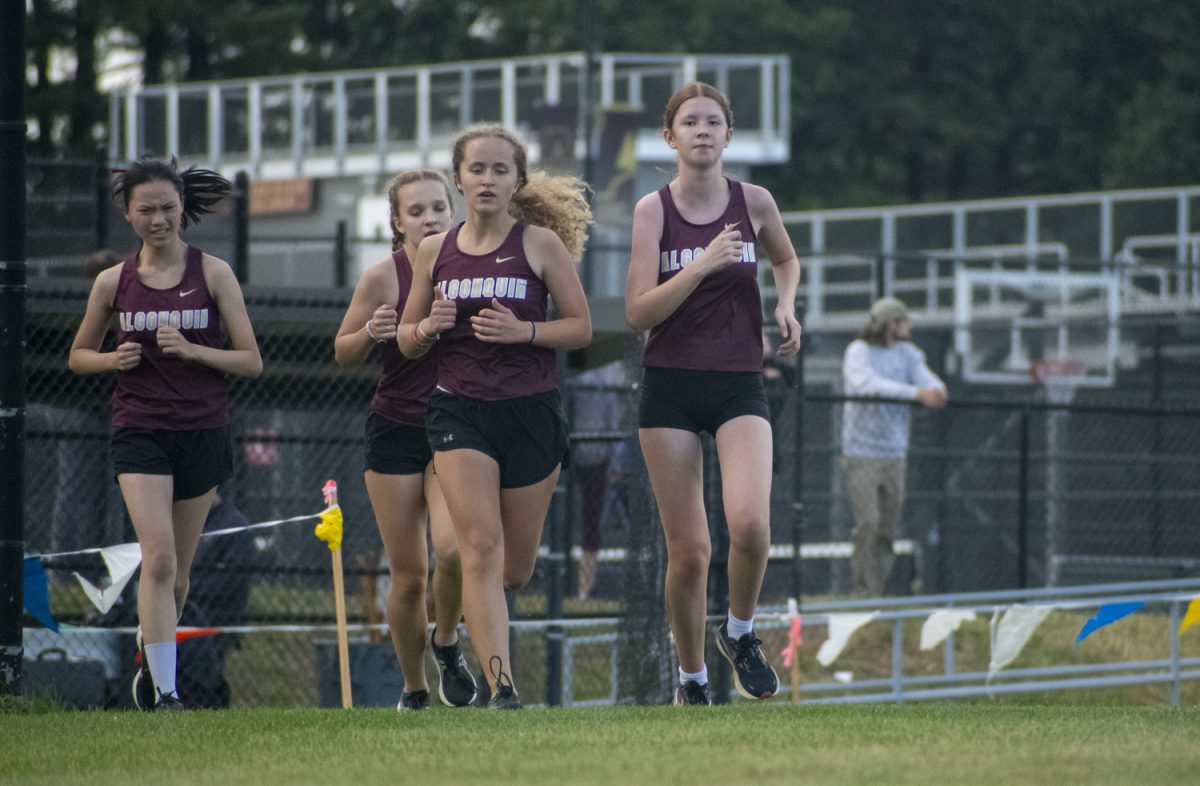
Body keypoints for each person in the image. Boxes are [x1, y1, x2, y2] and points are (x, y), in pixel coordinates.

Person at [398, 124, 593, 709]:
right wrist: (428, 327)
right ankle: (502, 688)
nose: (487, 179)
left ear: (517, 181)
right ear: (458, 178)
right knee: (478, 549)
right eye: (476, 169)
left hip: (531, 414)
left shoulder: (539, 245)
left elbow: (580, 328)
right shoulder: (434, 250)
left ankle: (463, 641)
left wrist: (524, 331)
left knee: (512, 570)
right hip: (460, 411)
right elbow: (408, 339)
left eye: (499, 170)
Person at [625, 82, 802, 706]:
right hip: (669, 385)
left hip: (737, 381)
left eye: (714, 122)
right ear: (669, 137)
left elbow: (785, 258)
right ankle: (692, 678)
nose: (702, 130)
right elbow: (638, 312)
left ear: (729, 135)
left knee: (751, 525)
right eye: (689, 122)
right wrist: (700, 263)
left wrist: (785, 305)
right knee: (692, 553)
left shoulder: (753, 201)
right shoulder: (653, 211)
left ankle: (741, 631)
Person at [68, 157, 263, 711]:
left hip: (202, 430)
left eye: (168, 208)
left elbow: (251, 361)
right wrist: (112, 361)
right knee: (156, 559)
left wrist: (194, 350)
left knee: (176, 572)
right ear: (127, 214)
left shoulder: (214, 272)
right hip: (140, 430)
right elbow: (79, 356)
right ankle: (165, 691)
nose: (159, 219)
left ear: (183, 209)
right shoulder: (113, 282)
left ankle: (152, 647)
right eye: (146, 209)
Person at [333, 169, 477, 711]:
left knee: (453, 552)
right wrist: (372, 331)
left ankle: (447, 642)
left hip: (456, 427)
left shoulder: (472, 266)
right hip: (394, 427)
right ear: (397, 222)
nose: (430, 218)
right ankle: (414, 688)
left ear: (453, 209)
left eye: (439, 207)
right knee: (410, 576)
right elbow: (342, 351)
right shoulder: (381, 277)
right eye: (416, 211)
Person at [841, 296, 947, 597]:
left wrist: (936, 391)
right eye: (903, 321)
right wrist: (917, 393)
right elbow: (865, 384)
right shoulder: (858, 352)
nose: (909, 326)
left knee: (888, 527)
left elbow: (932, 384)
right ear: (890, 324)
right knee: (868, 523)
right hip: (861, 451)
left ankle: (877, 589)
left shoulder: (909, 354)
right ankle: (861, 592)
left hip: (895, 453)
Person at [569, 361, 627, 602]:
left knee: (591, 523)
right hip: (568, 452)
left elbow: (613, 417)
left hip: (596, 456)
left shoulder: (610, 368)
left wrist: (613, 461)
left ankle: (584, 588)